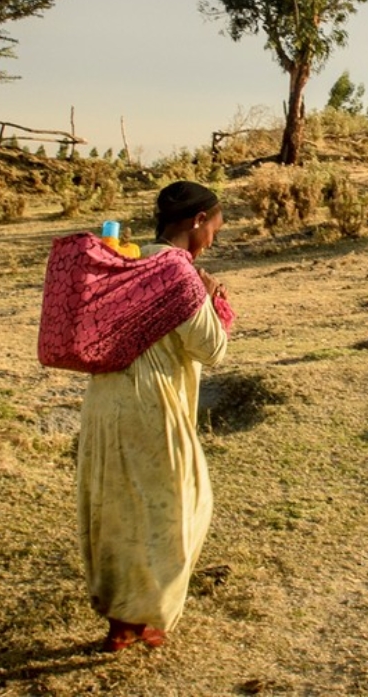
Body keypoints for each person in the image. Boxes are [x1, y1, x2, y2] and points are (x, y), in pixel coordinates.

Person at [76, 181, 230, 652]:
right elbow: (213, 349)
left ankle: (123, 616)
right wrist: (211, 296)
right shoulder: (177, 275)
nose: (215, 240)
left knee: (119, 510)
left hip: (104, 401)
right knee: (178, 508)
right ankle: (141, 615)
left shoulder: (127, 261)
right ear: (197, 221)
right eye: (215, 229)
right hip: (152, 404)